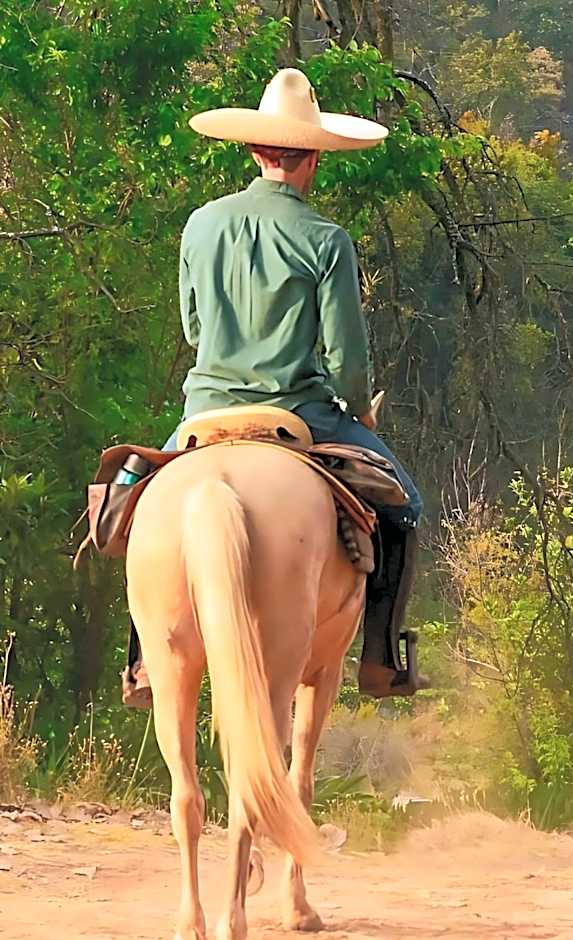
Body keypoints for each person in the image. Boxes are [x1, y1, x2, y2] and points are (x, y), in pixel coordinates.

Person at [121, 68, 424, 707]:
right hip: (300, 414)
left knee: (132, 502)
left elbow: (195, 325)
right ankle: (379, 658)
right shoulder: (326, 240)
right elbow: (346, 357)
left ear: (256, 152)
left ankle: (147, 657)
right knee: (404, 509)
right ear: (312, 156)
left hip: (204, 413)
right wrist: (355, 408)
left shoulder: (201, 225)